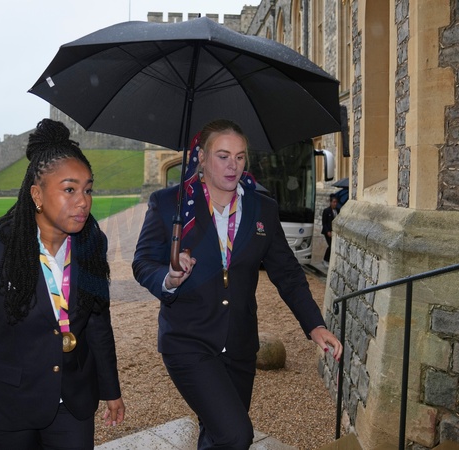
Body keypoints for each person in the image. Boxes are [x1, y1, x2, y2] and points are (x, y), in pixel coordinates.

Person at [132, 119, 342, 450]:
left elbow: (287, 273)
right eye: (223, 156)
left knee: (217, 435)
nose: (233, 165)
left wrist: (314, 324)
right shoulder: (170, 203)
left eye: (240, 156)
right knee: (236, 435)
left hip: (241, 345)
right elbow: (143, 262)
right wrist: (168, 278)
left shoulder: (262, 208)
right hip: (189, 343)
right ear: (202, 157)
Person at [0, 119, 125, 450]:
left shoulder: (93, 244)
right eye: (69, 189)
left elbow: (97, 321)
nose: (83, 201)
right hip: (6, 406)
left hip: (73, 402)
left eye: (88, 189)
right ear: (37, 194)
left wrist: (111, 389)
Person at [321, 194, 338, 267]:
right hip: (328, 232)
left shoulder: (337, 211)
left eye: (336, 202)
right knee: (330, 245)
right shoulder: (326, 211)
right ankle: (325, 260)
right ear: (331, 202)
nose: (335, 204)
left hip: (334, 232)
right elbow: (324, 222)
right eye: (334, 202)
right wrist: (328, 231)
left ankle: (330, 260)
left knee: (333, 246)